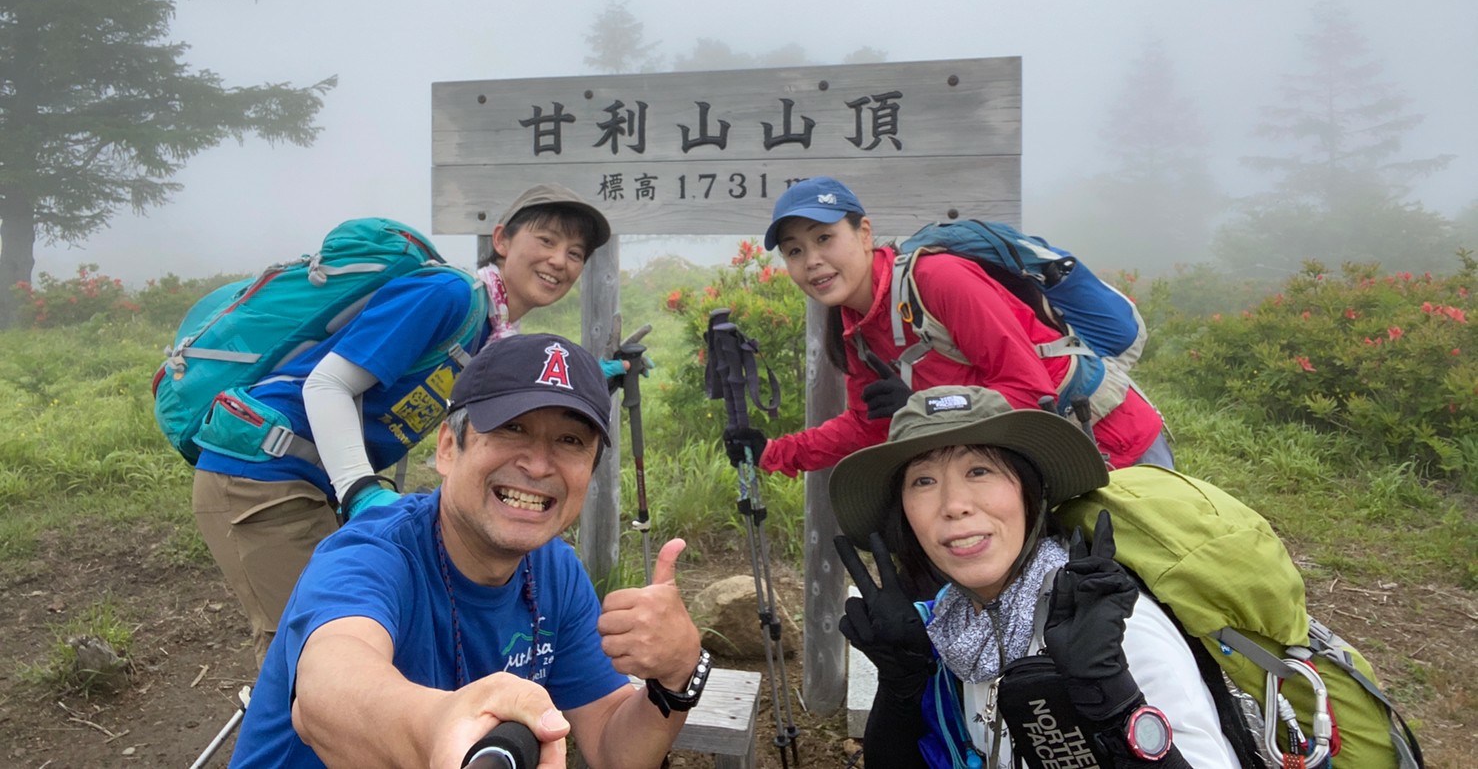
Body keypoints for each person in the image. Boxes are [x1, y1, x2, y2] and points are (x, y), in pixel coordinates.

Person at [229, 332, 709, 769]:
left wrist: (678, 675)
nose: (539, 464)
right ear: (447, 448)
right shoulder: (371, 553)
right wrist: (439, 726)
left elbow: (610, 749)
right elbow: (327, 689)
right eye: (511, 428)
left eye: (570, 441)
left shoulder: (556, 572)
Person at [194, 183, 611, 666]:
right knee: (315, 648)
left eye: (575, 253)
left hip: (313, 479)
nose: (560, 260)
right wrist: (361, 492)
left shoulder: (490, 334)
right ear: (502, 240)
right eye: (546, 241)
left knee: (355, 629)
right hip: (261, 474)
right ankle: (281, 742)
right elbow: (326, 385)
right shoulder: (448, 296)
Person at [830, 385, 1240, 768]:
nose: (954, 504)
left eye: (979, 471)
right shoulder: (953, 629)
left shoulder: (1108, 624)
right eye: (923, 481)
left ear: (1030, 493)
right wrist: (901, 685)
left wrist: (1115, 703)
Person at [724, 176, 1171, 476]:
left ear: (863, 234)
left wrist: (922, 403)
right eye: (795, 251)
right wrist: (771, 453)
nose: (812, 261)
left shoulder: (938, 279)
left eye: (824, 239)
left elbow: (1030, 391)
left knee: (1163, 603)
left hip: (1114, 443)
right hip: (1045, 464)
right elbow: (869, 425)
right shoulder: (857, 324)